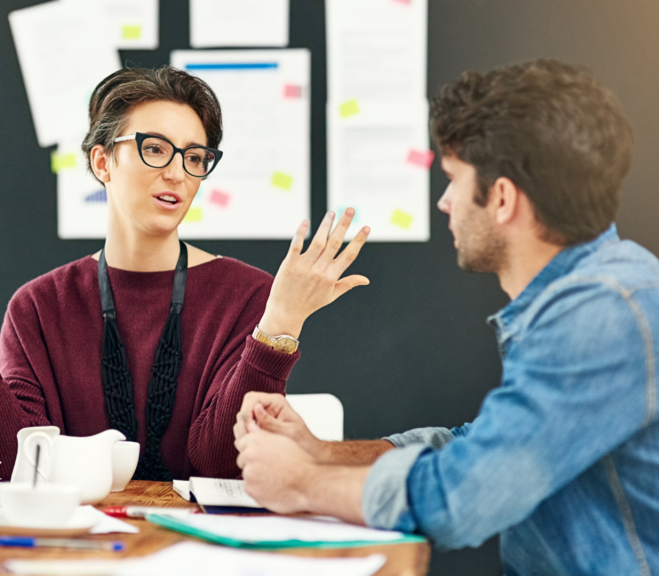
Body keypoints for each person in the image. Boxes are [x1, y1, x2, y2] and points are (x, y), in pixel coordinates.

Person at [234, 59, 658, 575]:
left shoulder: (602, 312)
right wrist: (320, 453)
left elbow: (465, 494)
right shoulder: (591, 295)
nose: (444, 201)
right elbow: (477, 447)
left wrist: (302, 483)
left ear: (502, 197)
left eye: (454, 180)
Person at [0, 66, 371, 480]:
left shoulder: (250, 296)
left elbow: (219, 463)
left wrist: (281, 321)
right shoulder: (39, 307)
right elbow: (15, 466)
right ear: (103, 161)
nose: (177, 172)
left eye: (194, 158)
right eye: (155, 148)